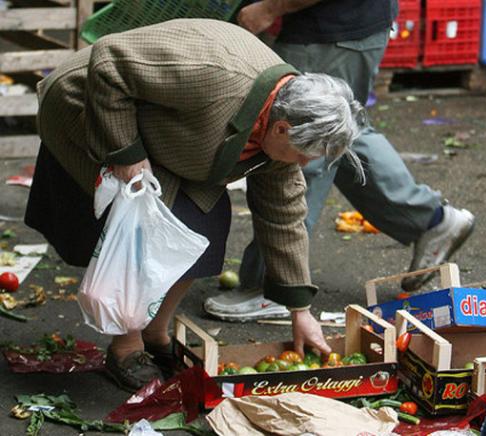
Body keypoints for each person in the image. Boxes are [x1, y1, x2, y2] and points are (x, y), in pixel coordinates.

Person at [24, 18, 367, 392]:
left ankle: (156, 331)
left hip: (170, 135)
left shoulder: (281, 130)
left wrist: (300, 311)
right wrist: (125, 152)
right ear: (281, 128)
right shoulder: (214, 76)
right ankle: (126, 346)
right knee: (152, 224)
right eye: (304, 154)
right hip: (90, 104)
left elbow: (284, 217)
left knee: (207, 222)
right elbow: (108, 61)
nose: (304, 164)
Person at [204, 0, 475, 321]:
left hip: (332, 27)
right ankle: (429, 219)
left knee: (300, 140)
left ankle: (274, 288)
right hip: (346, 26)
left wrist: (269, 8)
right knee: (336, 132)